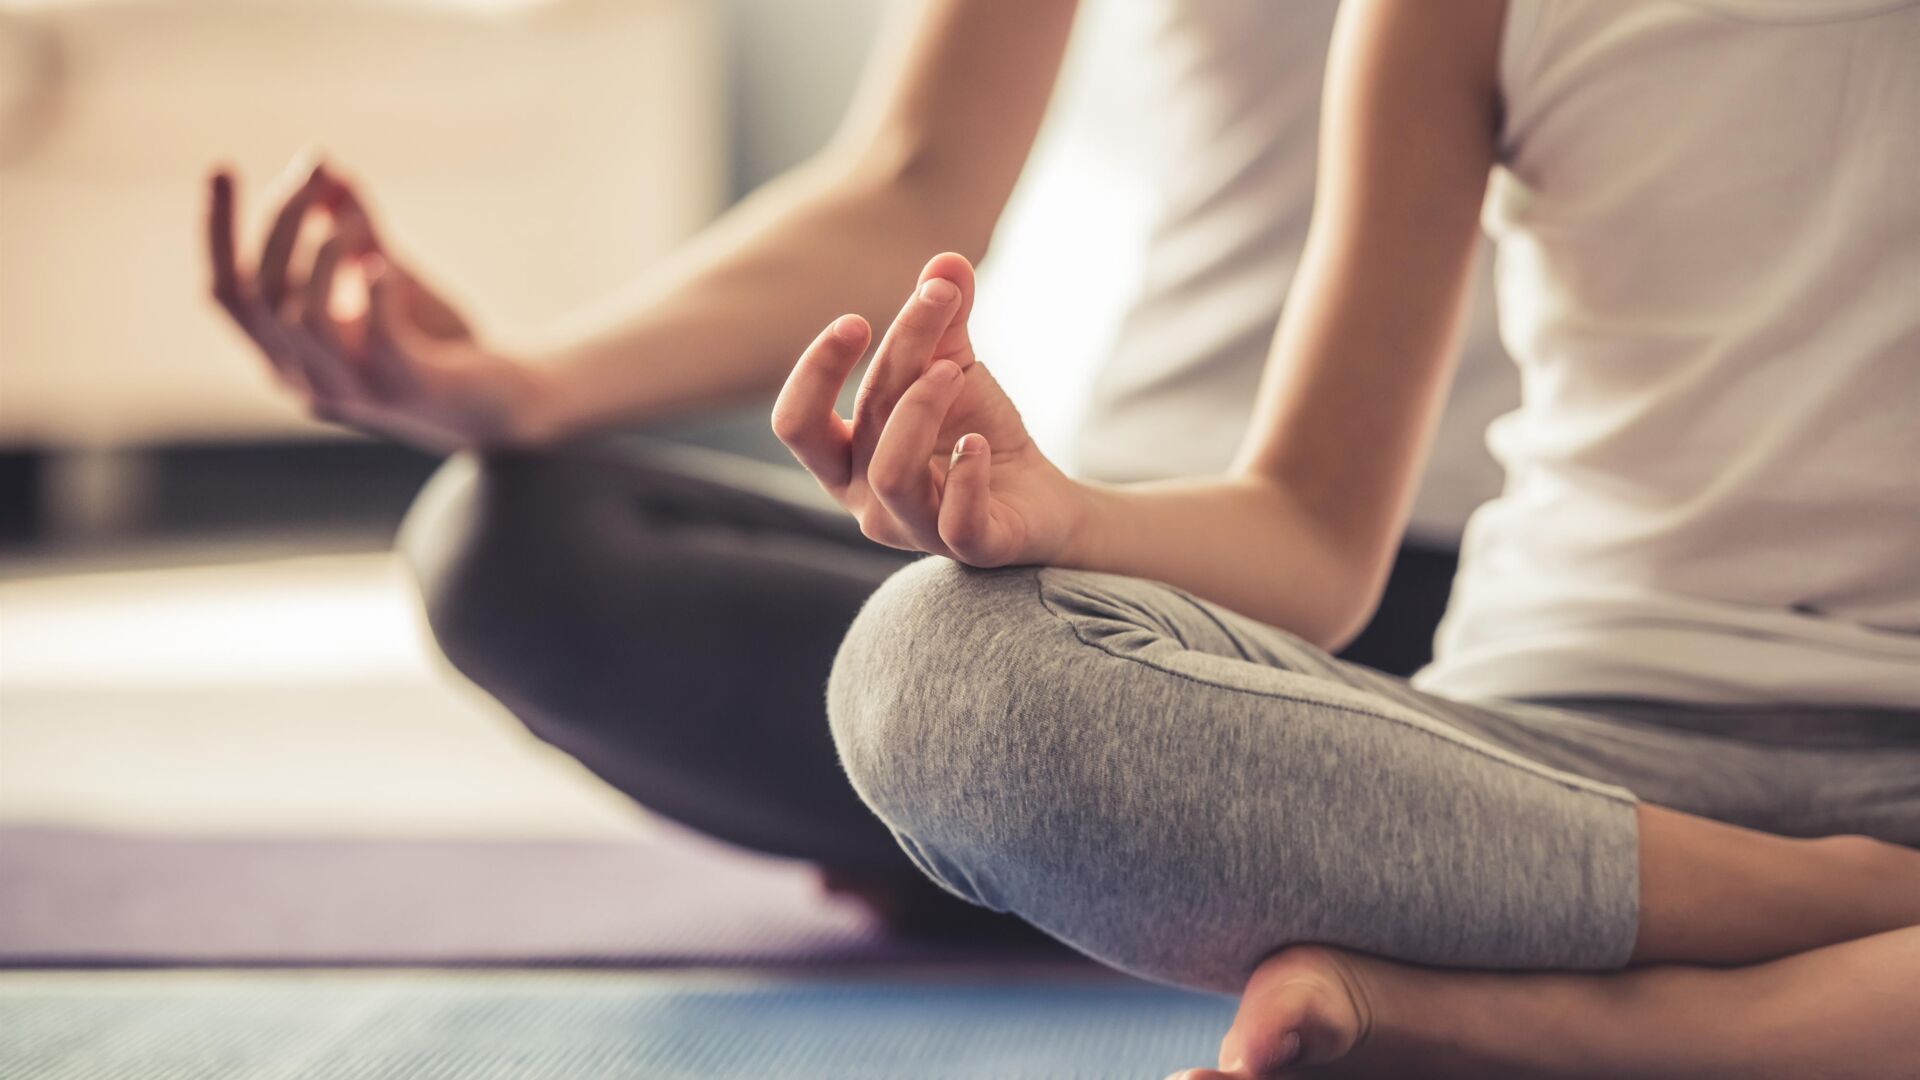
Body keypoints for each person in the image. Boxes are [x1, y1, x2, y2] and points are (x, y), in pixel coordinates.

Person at [770, 0, 1920, 1076]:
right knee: (939, 667)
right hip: (1539, 767)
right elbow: (1312, 536)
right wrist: (1062, 514)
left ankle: (1564, 1027)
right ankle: (1847, 916)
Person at [203, 2, 1514, 933]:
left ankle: (1040, 859)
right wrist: (519, 386)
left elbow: (1315, 541)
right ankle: (1066, 854)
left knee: (993, 692)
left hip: (1442, 595)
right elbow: (913, 177)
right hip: (1106, 546)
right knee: (509, 542)